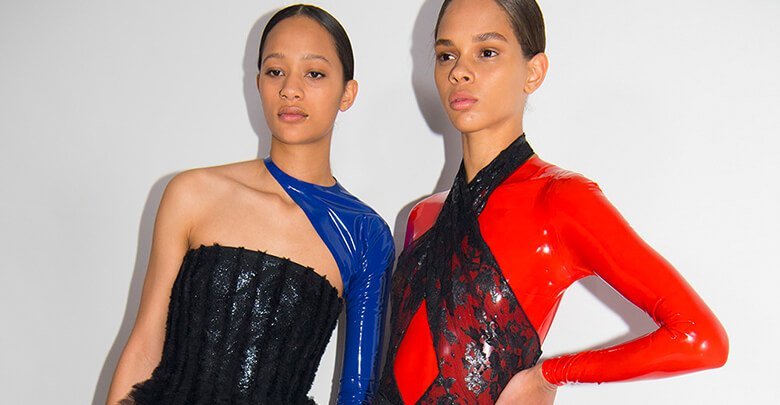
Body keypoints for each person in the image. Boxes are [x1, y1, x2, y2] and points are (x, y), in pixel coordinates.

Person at [376, 0, 728, 403]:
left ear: (534, 71)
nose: (460, 70)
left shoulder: (559, 200)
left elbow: (700, 338)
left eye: (486, 52)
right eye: (446, 55)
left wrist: (550, 375)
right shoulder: (423, 216)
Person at [106, 5, 394, 404]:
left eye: (314, 73)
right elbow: (144, 346)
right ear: (258, 83)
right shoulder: (192, 194)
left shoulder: (364, 233)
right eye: (276, 71)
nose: (290, 89)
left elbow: (359, 393)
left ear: (347, 92)